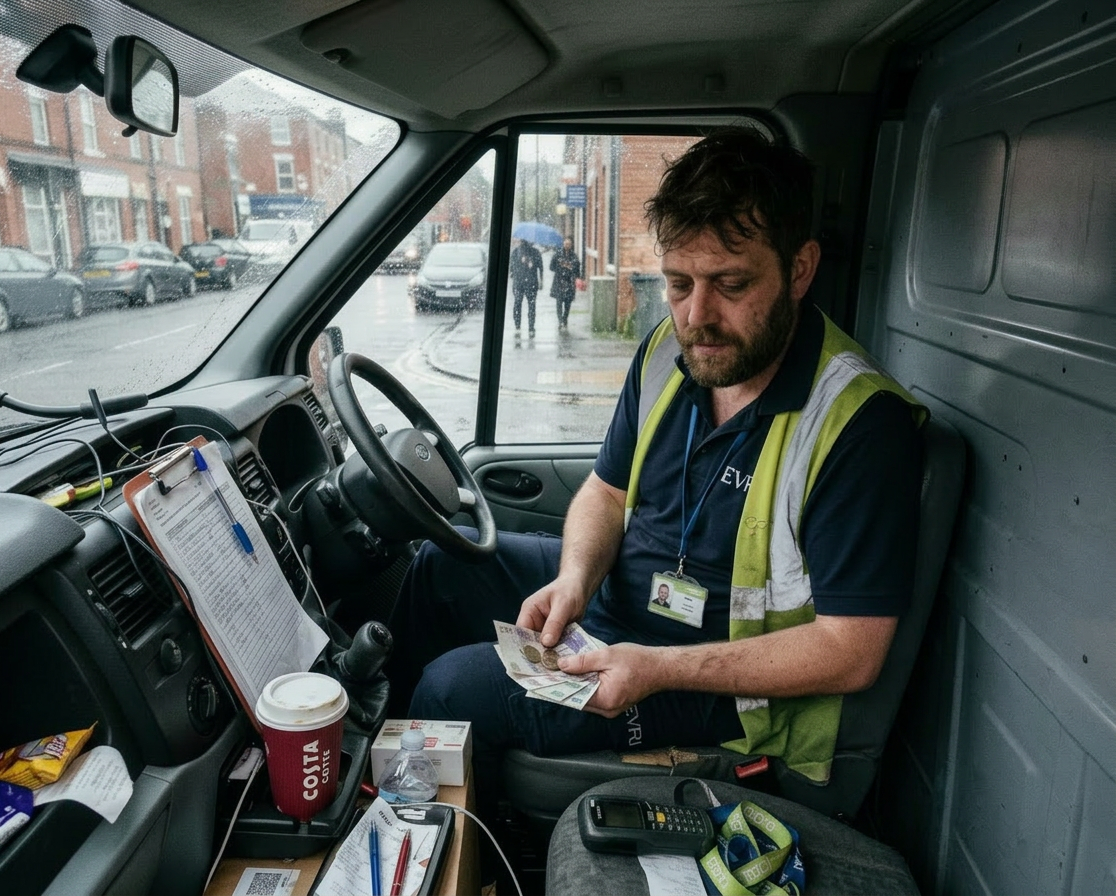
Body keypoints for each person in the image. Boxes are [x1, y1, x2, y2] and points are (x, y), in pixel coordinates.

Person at [388, 127, 924, 830]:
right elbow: (607, 492)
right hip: (619, 608)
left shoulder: (858, 424)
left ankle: (454, 851)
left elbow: (848, 652)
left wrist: (658, 668)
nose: (697, 316)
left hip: (715, 680)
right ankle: (384, 776)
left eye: (731, 285)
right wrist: (576, 580)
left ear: (799, 269)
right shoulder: (669, 351)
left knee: (451, 687)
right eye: (678, 283)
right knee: (441, 561)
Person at [509, 238, 542, 337]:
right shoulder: (532, 252)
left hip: (524, 283)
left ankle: (521, 326)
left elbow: (512, 268)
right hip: (526, 283)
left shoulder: (519, 252)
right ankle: (528, 326)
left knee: (520, 304)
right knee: (528, 305)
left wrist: (528, 262)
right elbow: (540, 267)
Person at [549, 237, 582, 330]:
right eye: (565, 244)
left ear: (571, 245)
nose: (567, 246)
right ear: (563, 244)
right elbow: (551, 267)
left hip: (569, 282)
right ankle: (560, 321)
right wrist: (560, 267)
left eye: (569, 244)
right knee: (559, 302)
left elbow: (577, 270)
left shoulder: (574, 257)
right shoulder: (557, 255)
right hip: (559, 281)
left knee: (567, 303)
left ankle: (565, 318)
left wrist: (570, 268)